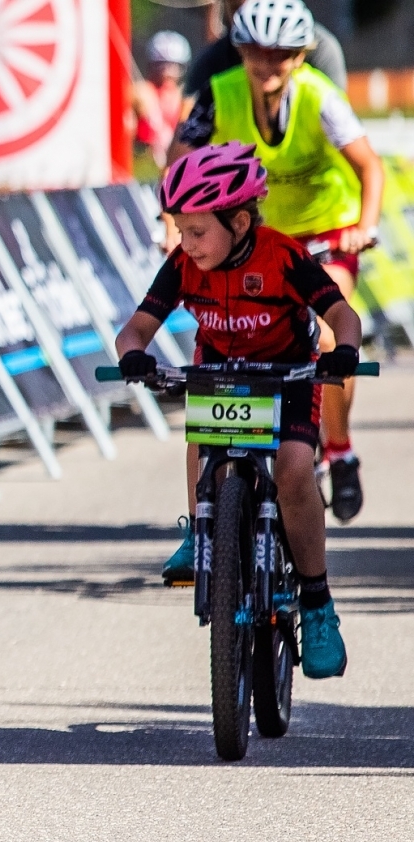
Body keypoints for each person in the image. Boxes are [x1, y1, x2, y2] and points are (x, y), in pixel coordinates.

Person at [118, 143, 359, 678]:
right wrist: (134, 355)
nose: (186, 244)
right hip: (221, 373)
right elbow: (134, 328)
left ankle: (317, 603)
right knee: (202, 437)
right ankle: (199, 534)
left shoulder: (283, 256)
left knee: (293, 471)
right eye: (180, 231)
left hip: (287, 373)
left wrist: (342, 350)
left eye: (197, 232)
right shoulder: (183, 264)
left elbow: (344, 315)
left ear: (241, 221)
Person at [171, 0, 379, 522]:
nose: (269, 64)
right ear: (239, 51)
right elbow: (179, 159)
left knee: (327, 335)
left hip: (327, 230)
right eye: (257, 53)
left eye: (282, 55)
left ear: (301, 56)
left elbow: (368, 166)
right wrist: (172, 221)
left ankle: (339, 450)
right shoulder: (219, 94)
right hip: (260, 236)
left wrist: (366, 225)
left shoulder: (320, 96)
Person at [183, 0, 346, 101]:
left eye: (280, 55)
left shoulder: (321, 50)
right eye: (236, 8)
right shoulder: (211, 64)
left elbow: (343, 129)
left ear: (299, 56)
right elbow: (186, 134)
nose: (264, 63)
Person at [135, 31, 191, 167]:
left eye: (173, 66)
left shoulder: (186, 98)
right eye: (161, 66)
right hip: (144, 164)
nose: (167, 71)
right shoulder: (141, 92)